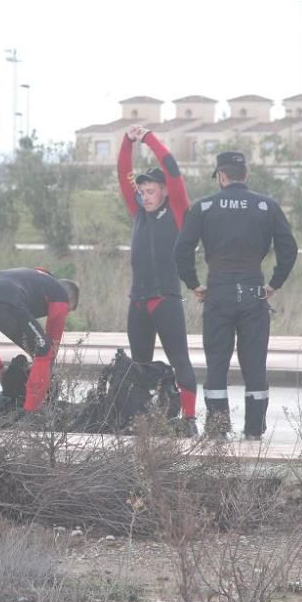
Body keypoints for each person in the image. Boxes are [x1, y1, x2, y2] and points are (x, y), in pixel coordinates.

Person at [173, 151, 298, 439]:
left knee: (217, 364)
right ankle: (254, 431)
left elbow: (181, 250)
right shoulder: (267, 206)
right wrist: (274, 284)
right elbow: (288, 249)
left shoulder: (204, 207)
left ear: (222, 176)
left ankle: (218, 431)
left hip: (217, 293)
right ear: (246, 175)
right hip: (254, 293)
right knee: (254, 365)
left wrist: (194, 285)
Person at [117, 123, 199, 437]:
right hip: (137, 302)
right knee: (139, 367)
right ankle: (141, 423)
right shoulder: (138, 213)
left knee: (180, 361)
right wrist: (127, 141)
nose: (145, 196)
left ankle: (189, 420)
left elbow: (172, 169)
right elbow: (123, 171)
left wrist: (148, 138)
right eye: (142, 192)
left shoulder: (178, 209)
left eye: (151, 191)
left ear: (164, 192)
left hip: (166, 299)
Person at [0, 268, 79, 417]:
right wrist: (45, 374)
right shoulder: (60, 295)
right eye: (69, 310)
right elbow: (51, 345)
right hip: (6, 300)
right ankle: (31, 414)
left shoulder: (33, 280)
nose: (66, 313)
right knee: (45, 352)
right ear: (69, 300)